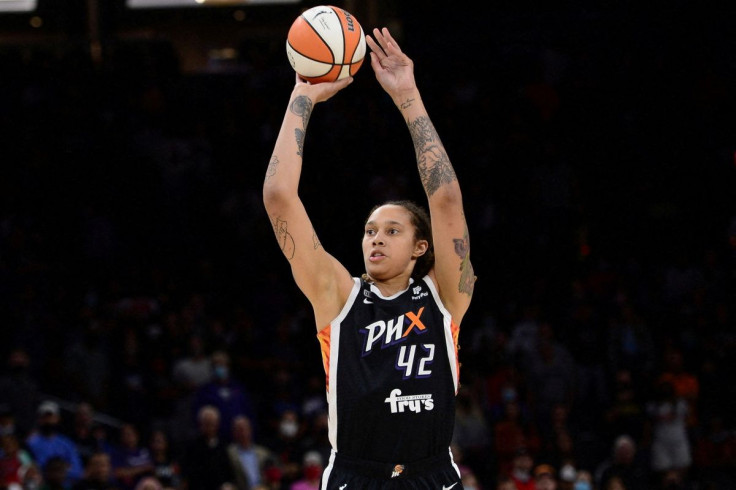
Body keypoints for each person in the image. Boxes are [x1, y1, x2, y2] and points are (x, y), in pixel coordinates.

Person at [263, 26, 475, 489]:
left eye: (392, 230)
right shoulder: (338, 296)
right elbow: (279, 196)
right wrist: (302, 97)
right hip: (356, 476)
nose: (375, 239)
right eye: (369, 231)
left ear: (422, 247)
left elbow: (446, 199)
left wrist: (408, 96)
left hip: (431, 473)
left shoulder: (445, 298)